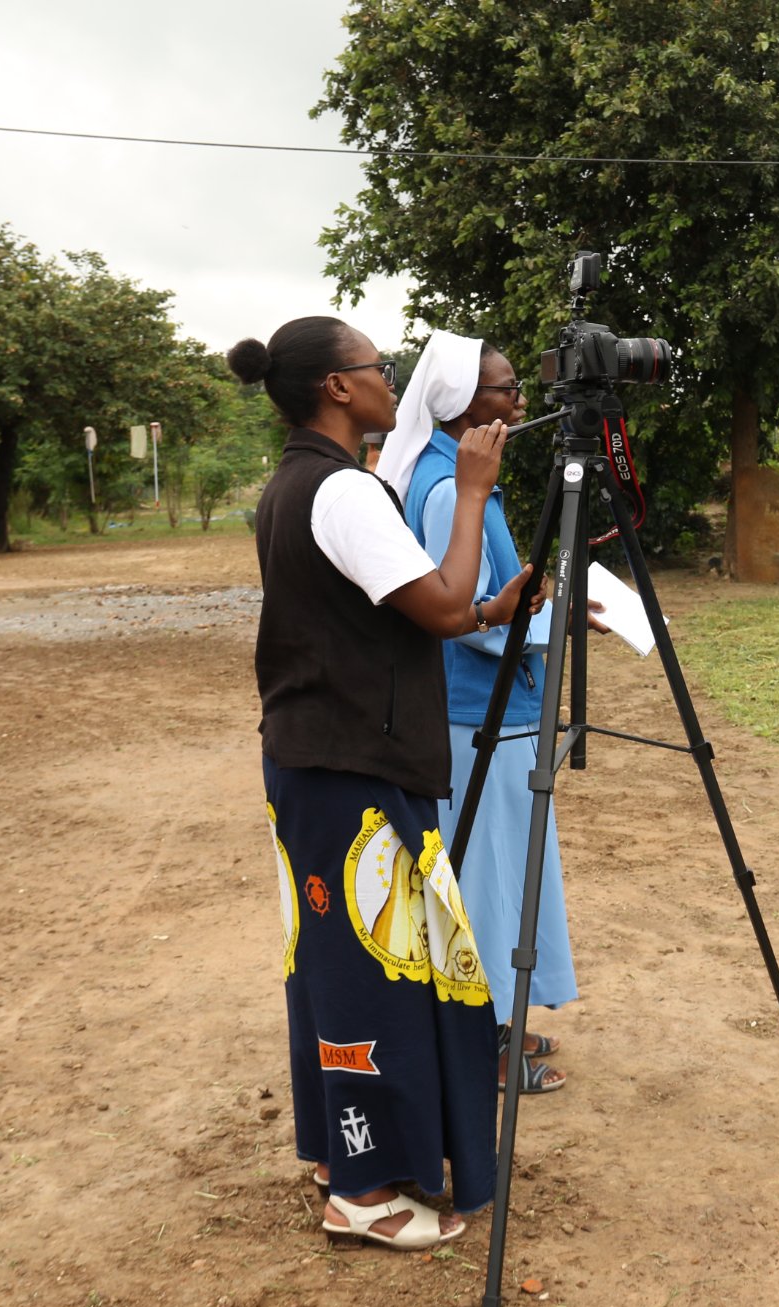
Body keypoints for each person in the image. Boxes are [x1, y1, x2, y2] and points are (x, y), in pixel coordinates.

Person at [232, 315, 539, 1251]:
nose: (389, 383)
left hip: (317, 759)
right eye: (377, 368)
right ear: (337, 388)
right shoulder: (345, 493)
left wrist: (492, 606)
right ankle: (364, 1193)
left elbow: (404, 616)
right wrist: (475, 493)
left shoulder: (292, 488)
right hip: (350, 766)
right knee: (373, 973)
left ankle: (343, 1152)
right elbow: (442, 609)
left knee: (337, 966)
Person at [376, 333, 601, 1095]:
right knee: (488, 886)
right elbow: (466, 620)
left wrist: (558, 611)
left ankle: (497, 1021)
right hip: (481, 718)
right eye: (506, 390)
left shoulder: (452, 479)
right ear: (468, 405)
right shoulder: (447, 492)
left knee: (501, 879)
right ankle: (486, 1043)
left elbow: (499, 605)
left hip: (494, 716)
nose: (521, 401)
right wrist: (554, 622)